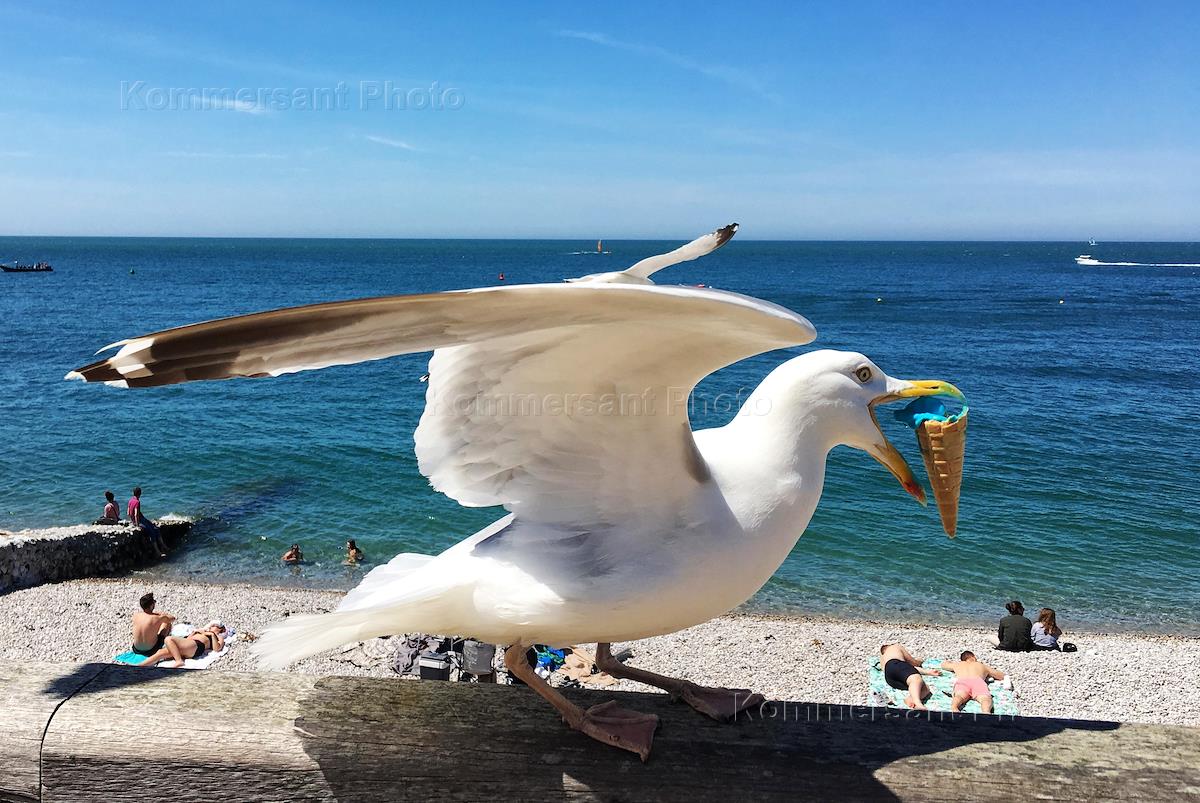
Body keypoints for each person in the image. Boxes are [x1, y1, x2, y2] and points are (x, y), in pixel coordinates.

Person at [136, 622, 227, 668]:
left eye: (214, 625)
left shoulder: (218, 637)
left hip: (197, 646)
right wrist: (195, 632)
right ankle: (138, 668)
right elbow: (186, 640)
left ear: (220, 629)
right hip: (188, 645)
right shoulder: (202, 631)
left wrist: (211, 635)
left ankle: (179, 661)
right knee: (160, 652)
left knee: (168, 639)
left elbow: (217, 649)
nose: (211, 626)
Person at [880, 643, 942, 711]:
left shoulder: (883, 658)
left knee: (925, 689)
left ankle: (910, 699)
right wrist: (919, 662)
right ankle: (918, 703)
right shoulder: (895, 647)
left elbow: (908, 669)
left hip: (890, 678)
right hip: (895, 664)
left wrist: (928, 672)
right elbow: (912, 663)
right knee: (916, 680)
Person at [940, 651, 1005, 714]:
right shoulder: (981, 665)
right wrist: (987, 674)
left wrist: (948, 661)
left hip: (963, 681)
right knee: (985, 698)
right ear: (973, 657)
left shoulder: (958, 664)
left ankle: (954, 708)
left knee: (959, 696)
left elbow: (943, 665)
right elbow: (1001, 676)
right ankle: (986, 712)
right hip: (977, 681)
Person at [131, 592, 175, 658]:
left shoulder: (135, 615)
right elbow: (172, 618)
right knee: (167, 623)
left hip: (136, 649)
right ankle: (167, 642)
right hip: (151, 650)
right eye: (154, 601)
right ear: (151, 605)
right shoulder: (157, 618)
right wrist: (161, 614)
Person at [128, 486, 168, 557]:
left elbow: (128, 512)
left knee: (155, 528)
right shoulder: (137, 502)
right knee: (152, 532)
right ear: (140, 493)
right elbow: (136, 514)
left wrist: (132, 520)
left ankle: (163, 546)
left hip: (140, 519)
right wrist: (137, 525)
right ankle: (158, 552)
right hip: (139, 520)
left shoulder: (130, 500)